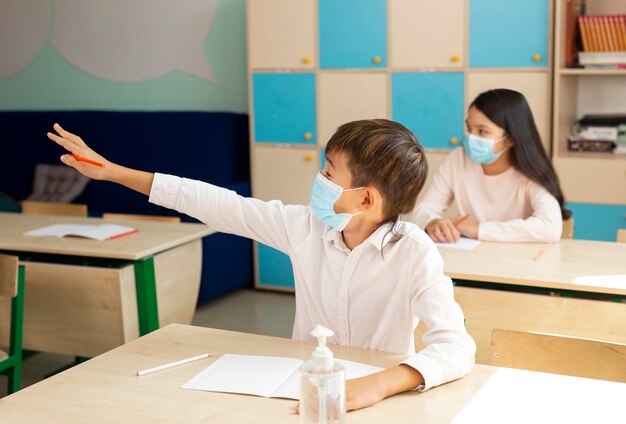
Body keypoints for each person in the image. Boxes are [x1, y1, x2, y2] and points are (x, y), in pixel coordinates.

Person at [47, 119, 475, 412]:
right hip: (299, 388)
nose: (319, 181)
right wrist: (116, 173)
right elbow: (221, 204)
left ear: (366, 199)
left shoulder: (414, 251)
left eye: (330, 174)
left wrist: (377, 385)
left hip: (380, 399)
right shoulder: (303, 227)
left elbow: (456, 347)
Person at [409, 89, 569, 243]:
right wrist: (432, 222)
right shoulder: (458, 158)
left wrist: (479, 230)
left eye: (483, 131)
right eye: (469, 128)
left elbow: (550, 227)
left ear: (511, 138)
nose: (471, 138)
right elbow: (423, 210)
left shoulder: (529, 171)